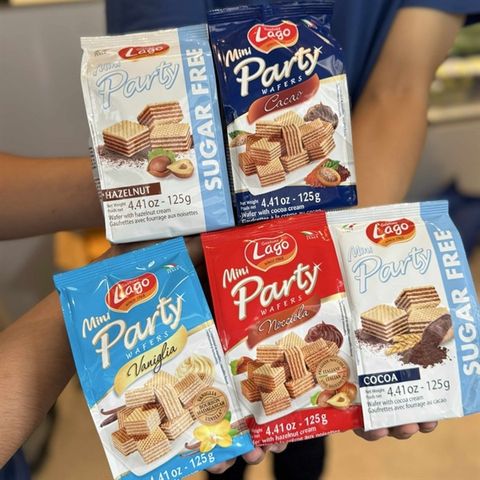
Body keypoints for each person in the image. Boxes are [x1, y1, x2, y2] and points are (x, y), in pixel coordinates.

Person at [107, 0, 480, 478]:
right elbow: (160, 88)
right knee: (225, 429)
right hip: (210, 257)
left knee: (312, 407)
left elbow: (400, 86)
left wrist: (345, 259)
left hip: (340, 219)